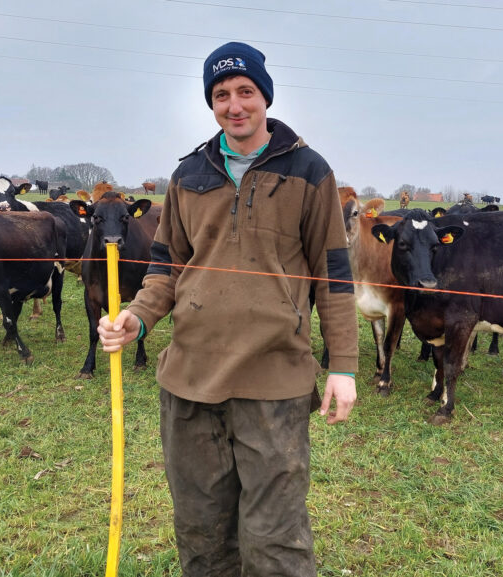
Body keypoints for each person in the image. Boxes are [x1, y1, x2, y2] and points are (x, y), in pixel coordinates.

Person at [97, 41, 358, 576]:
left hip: (274, 383)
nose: (234, 105)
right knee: (201, 532)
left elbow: (333, 275)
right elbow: (166, 269)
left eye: (245, 92)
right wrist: (138, 318)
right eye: (221, 95)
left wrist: (344, 366)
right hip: (189, 379)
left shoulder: (309, 171)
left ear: (264, 96)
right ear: (210, 103)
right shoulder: (189, 175)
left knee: (275, 538)